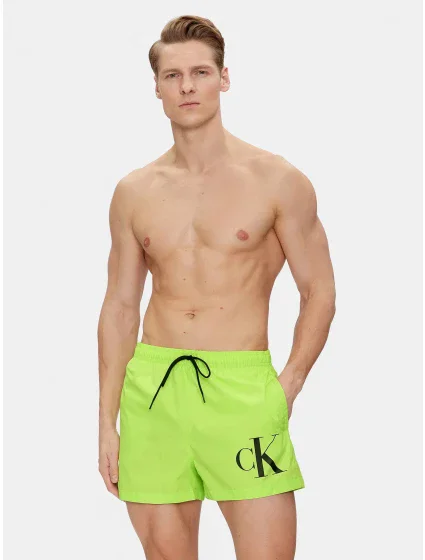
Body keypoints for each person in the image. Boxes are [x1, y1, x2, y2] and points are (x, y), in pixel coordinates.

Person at [97, 14, 336, 560]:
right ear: (157, 87)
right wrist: (107, 422)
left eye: (201, 72)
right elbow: (120, 306)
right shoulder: (134, 191)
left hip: (241, 389)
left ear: (224, 79)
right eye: (173, 75)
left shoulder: (277, 180)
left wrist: (287, 386)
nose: (187, 86)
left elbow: (319, 291)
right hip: (153, 391)